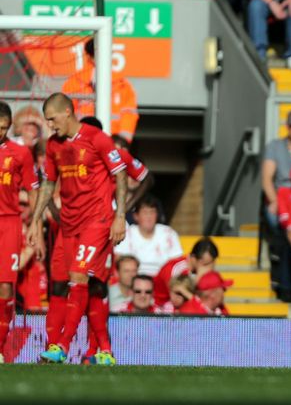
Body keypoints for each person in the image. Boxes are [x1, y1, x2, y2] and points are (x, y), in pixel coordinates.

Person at [30, 92, 128, 366]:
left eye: (52, 119)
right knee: (89, 285)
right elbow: (49, 184)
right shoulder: (53, 146)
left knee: (78, 276)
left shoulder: (97, 138)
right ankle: (105, 351)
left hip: (97, 220)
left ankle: (61, 345)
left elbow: (120, 173)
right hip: (69, 224)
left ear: (67, 113)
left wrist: (120, 216)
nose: (50, 125)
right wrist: (37, 219)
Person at [0, 101, 38, 363]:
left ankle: (1, 347)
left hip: (9, 223)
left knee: (5, 287)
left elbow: (34, 190)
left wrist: (35, 224)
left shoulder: (20, 153)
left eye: (3, 127)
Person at [61, 38, 139, 143]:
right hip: (82, 144)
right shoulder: (74, 82)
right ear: (89, 56)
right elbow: (66, 115)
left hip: (112, 143)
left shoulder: (122, 84)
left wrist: (121, 142)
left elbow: (129, 115)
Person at [114, 195, 184, 277]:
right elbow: (118, 261)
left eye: (152, 212)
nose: (149, 217)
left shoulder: (169, 233)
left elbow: (177, 263)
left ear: (157, 215)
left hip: (162, 281)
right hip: (133, 280)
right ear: (136, 216)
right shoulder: (127, 234)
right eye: (145, 212)